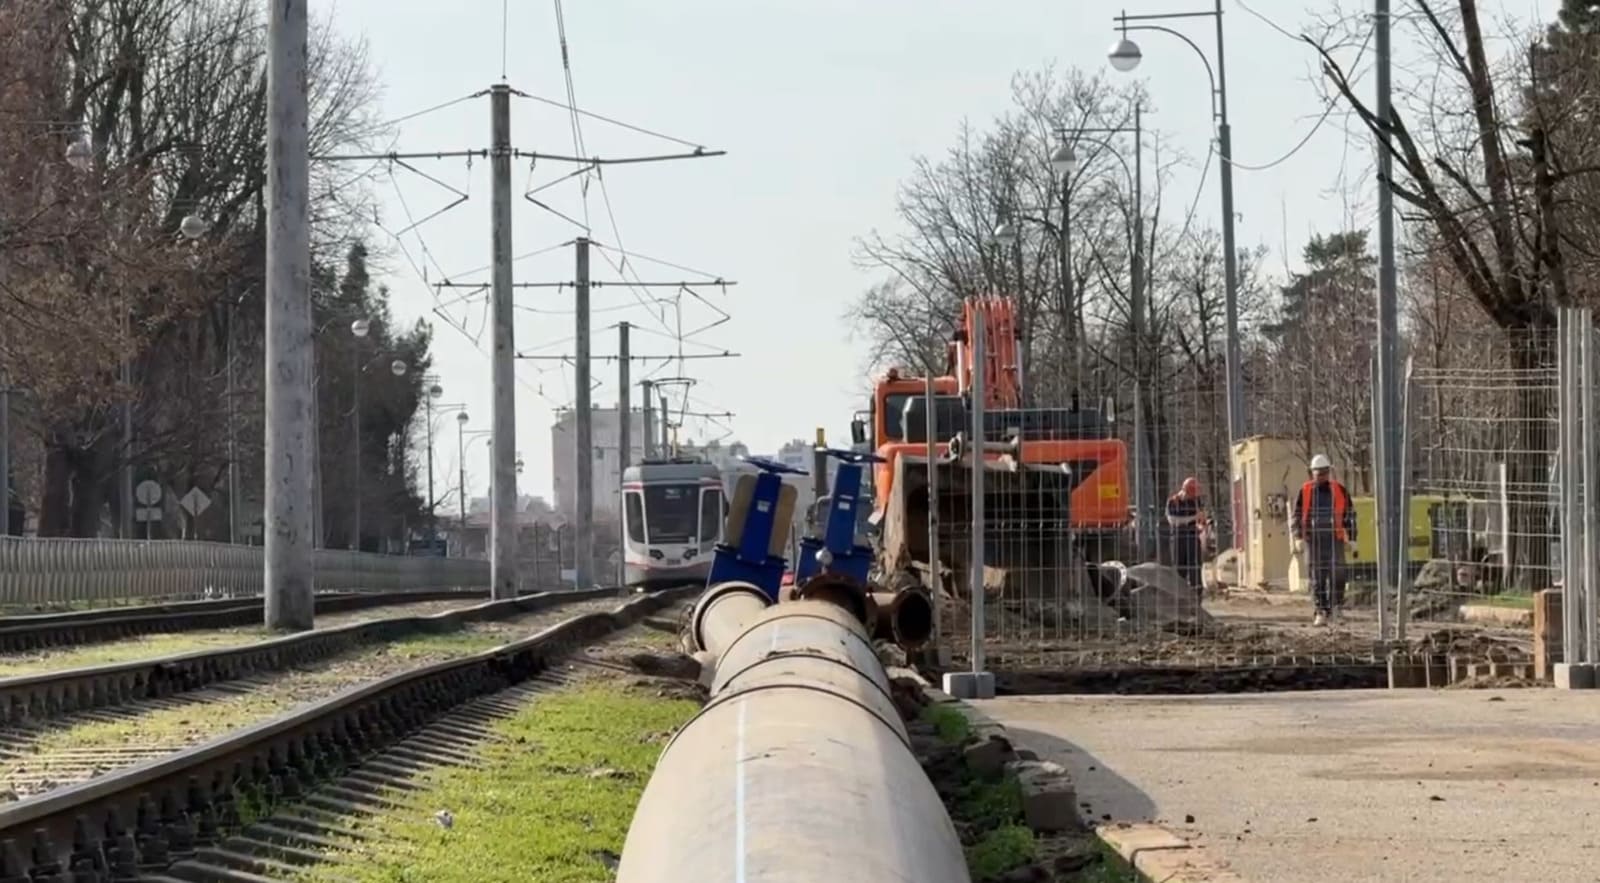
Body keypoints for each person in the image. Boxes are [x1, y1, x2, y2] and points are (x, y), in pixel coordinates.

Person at [1290, 454, 1357, 626]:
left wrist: (1352, 537)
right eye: (1318, 473)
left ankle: (1336, 608)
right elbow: (1296, 515)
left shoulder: (1339, 490)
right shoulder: (1305, 491)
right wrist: (1297, 536)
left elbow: (1350, 515)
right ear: (1312, 473)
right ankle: (1321, 610)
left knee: (1338, 576)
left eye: (1325, 472)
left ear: (1329, 472)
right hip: (1314, 541)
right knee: (1317, 578)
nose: (1322, 476)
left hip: (1335, 539)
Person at [1165, 477, 1208, 592]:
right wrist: (1193, 517)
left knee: (1195, 566)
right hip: (1179, 538)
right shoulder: (1173, 501)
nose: (1193, 497)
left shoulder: (1196, 502)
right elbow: (1174, 521)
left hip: (1193, 537)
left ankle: (1197, 593)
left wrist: (1202, 523)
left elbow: (1202, 521)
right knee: (1180, 568)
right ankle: (1180, 593)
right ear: (1184, 491)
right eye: (1191, 494)